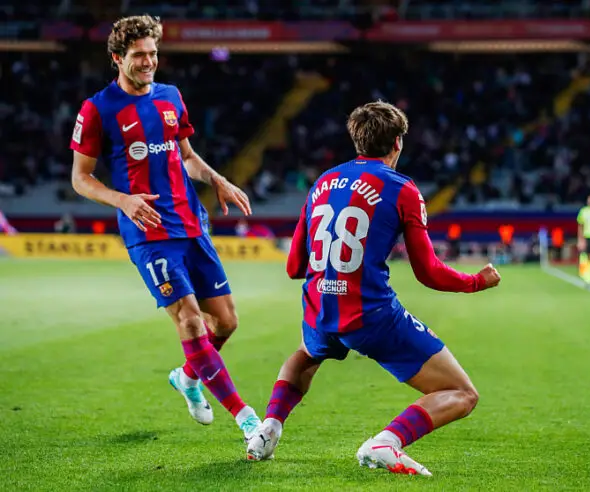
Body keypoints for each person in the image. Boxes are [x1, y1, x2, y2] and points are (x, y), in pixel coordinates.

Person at [245, 101, 501, 475]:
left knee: (305, 355)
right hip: (369, 314)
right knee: (462, 394)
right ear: (398, 142)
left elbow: (293, 267)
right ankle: (386, 442)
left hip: (320, 305)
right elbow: (428, 271)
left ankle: (267, 430)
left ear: (357, 141)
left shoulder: (323, 182)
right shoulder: (403, 189)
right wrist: (477, 282)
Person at [69, 15, 260, 457]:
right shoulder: (97, 108)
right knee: (190, 320)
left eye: (153, 54)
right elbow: (81, 178)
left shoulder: (171, 97)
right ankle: (246, 418)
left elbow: (187, 156)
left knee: (226, 322)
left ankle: (189, 376)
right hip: (148, 230)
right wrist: (123, 200)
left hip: (192, 222)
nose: (149, 62)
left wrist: (219, 181)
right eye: (139, 56)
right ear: (117, 58)